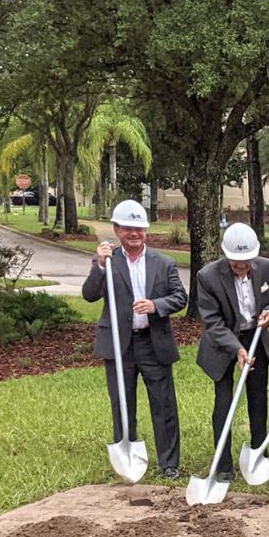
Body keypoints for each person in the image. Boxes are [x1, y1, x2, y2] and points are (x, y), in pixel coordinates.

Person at [82, 200, 187, 478]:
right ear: (116, 229)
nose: (135, 234)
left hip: (154, 342)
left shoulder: (163, 262)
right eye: (128, 228)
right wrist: (100, 266)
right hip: (119, 344)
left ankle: (169, 464)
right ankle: (127, 455)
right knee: (122, 403)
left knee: (163, 405)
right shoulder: (107, 261)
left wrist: (156, 306)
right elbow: (90, 295)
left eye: (139, 229)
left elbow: (180, 297)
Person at [195, 223, 269, 482]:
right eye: (236, 263)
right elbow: (212, 322)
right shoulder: (207, 276)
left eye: (247, 262)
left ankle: (259, 454)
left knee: (259, 402)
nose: (243, 267)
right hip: (223, 342)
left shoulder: (265, 267)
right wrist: (237, 349)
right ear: (226, 256)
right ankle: (223, 465)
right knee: (224, 404)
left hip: (256, 337)